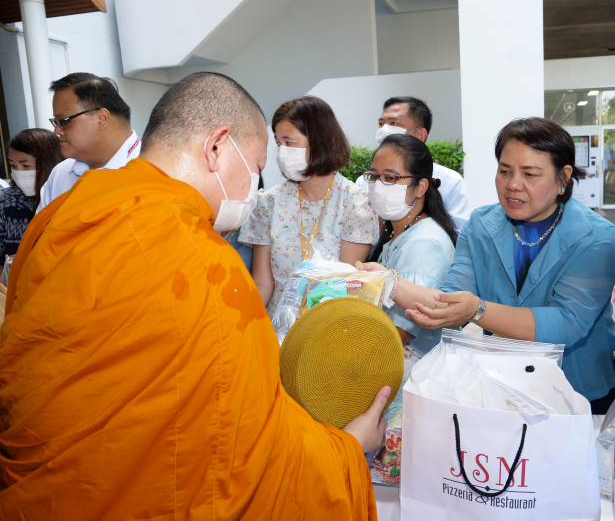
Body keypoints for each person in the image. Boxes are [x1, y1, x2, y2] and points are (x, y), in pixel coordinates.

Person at [0, 72, 387, 519]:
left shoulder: (65, 213)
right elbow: (252, 452)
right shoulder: (204, 265)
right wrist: (347, 448)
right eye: (258, 166)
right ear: (216, 147)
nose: (255, 185)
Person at [359, 117, 615, 411]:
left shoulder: (596, 237)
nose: (513, 185)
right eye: (504, 171)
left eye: (530, 174)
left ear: (563, 177)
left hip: (577, 389)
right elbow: (450, 301)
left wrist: (477, 309)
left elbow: (565, 324)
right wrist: (388, 280)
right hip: (504, 386)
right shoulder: (482, 225)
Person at [239, 96, 378, 313]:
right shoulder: (269, 203)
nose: (281, 152)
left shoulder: (355, 203)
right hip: (277, 326)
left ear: (319, 140)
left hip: (329, 324)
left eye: (289, 142)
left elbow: (345, 282)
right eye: (278, 143)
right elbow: (263, 284)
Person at [364, 134, 457, 356]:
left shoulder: (425, 242)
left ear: (420, 187)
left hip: (409, 373)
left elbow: (401, 331)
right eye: (374, 176)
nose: (378, 186)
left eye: (390, 178)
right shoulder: (398, 232)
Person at [355, 96, 474, 231]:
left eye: (393, 123)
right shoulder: (364, 182)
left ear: (420, 135)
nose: (383, 130)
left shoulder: (451, 182)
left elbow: (462, 236)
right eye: (381, 124)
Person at [38, 72, 140, 212]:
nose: (57, 130)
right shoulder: (60, 174)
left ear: (102, 118)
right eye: (55, 122)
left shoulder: (154, 170)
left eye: (64, 121)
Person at [1, 129, 62, 263]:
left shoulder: (66, 197)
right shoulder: (6, 202)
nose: (18, 172)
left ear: (49, 162)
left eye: (26, 165)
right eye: (13, 165)